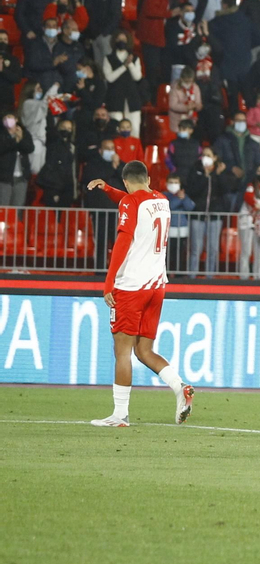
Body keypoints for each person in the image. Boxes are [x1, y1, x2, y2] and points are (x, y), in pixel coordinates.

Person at [84, 161, 195, 427]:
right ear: (147, 178)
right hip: (157, 286)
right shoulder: (162, 201)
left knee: (123, 352)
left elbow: (122, 241)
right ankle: (180, 387)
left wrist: (108, 282)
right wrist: (109, 190)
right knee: (144, 350)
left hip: (131, 285)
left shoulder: (131, 204)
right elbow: (134, 201)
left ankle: (120, 415)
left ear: (126, 182)